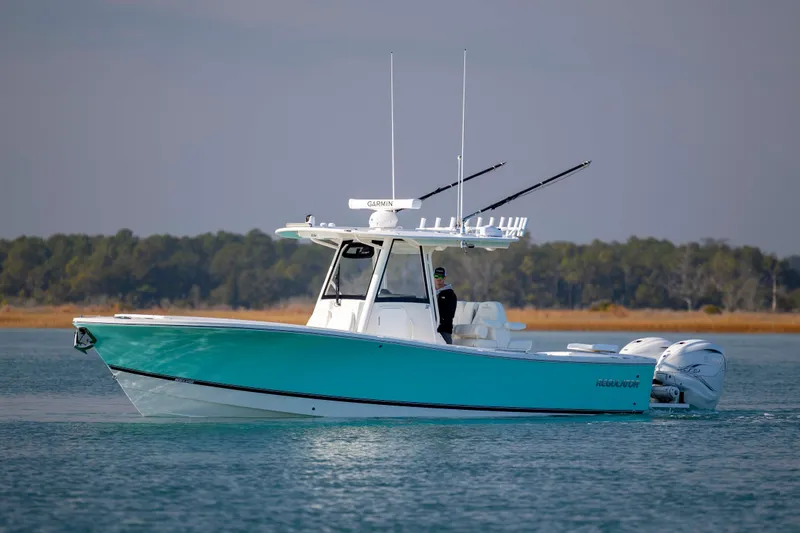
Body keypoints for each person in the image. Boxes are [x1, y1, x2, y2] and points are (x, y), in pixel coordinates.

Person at [434, 266, 457, 344]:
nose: (438, 278)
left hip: (444, 330)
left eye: (440, 276)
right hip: (431, 328)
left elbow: (449, 314)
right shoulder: (430, 293)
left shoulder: (450, 294)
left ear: (444, 278)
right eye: (436, 276)